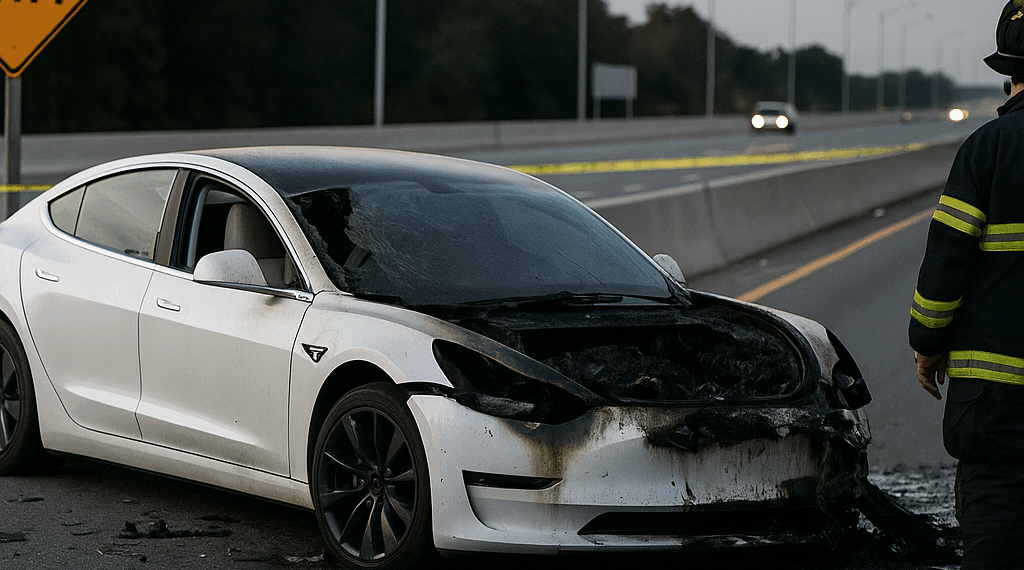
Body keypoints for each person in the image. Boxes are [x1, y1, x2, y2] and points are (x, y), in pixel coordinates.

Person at [911, 2, 1024, 568]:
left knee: (996, 534)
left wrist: (927, 343)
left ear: (1009, 72)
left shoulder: (986, 149)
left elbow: (946, 266)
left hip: (997, 410)